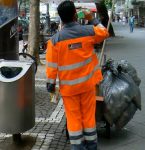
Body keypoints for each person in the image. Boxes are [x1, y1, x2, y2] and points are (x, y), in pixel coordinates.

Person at [46, 1, 109, 149]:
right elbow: (104, 32)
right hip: (87, 86)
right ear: (76, 14)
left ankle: (78, 147)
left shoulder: (54, 41)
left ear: (61, 18)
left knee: (74, 118)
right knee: (88, 117)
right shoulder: (88, 31)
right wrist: (91, 18)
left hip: (69, 89)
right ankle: (92, 145)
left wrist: (51, 85)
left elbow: (51, 66)